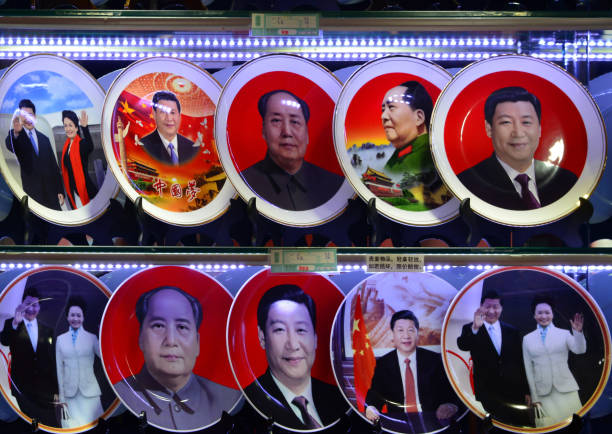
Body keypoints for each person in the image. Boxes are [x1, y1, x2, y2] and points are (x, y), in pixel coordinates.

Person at [113, 286, 241, 431]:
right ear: (141, 338)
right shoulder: (119, 394)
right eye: (158, 325)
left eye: (182, 327)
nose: (171, 340)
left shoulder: (227, 398)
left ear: (197, 342)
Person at [243, 284, 347, 430]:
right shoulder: (248, 403)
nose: (292, 345)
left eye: (301, 330)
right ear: (262, 337)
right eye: (280, 329)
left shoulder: (340, 399)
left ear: (315, 338)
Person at [457, 86, 577, 210]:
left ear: (539, 129)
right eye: (506, 122)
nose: (518, 133)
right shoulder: (467, 184)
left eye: (526, 122)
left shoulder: (567, 181)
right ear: (489, 128)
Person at [240, 90, 344, 211]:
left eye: (295, 122)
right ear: (264, 130)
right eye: (276, 121)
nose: (287, 132)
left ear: (307, 135)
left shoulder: (335, 186)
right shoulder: (243, 185)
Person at [365, 310, 459, 432]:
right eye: (400, 330)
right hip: (399, 424)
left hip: (433, 422)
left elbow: (451, 394)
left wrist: (450, 405)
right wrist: (371, 407)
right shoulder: (384, 363)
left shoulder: (434, 360)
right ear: (392, 334)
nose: (406, 336)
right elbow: (374, 395)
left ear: (417, 333)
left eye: (410, 330)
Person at [456, 287, 532, 426]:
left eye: (495, 307)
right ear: (481, 307)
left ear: (501, 308)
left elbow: (520, 362)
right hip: (488, 392)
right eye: (487, 307)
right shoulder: (470, 328)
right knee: (493, 429)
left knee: (517, 427)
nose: (491, 311)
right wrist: (475, 328)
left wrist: (526, 391)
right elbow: (463, 345)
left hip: (513, 391)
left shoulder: (512, 331)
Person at [379, 81, 451, 209]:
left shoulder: (426, 158)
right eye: (383, 109)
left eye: (391, 108)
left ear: (419, 117)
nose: (383, 116)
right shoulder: (403, 153)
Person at [522, 296, 586, 427]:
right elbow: (528, 369)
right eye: (539, 313)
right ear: (534, 315)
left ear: (552, 314)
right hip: (543, 394)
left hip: (567, 390)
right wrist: (535, 397)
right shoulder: (527, 339)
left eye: (547, 312)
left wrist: (578, 332)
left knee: (573, 427)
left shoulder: (564, 334)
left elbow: (580, 350)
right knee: (547, 428)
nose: (543, 316)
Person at [0, 286, 58, 427]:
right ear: (21, 305)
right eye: (28, 304)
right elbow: (4, 341)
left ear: (39, 307)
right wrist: (15, 323)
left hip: (45, 389)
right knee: (25, 424)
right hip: (21, 386)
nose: (31, 309)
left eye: (35, 305)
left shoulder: (47, 330)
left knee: (47, 424)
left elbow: (52, 361)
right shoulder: (12, 323)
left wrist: (56, 389)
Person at [4, 99, 64, 210]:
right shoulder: (17, 136)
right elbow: (10, 145)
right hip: (33, 196)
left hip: (51, 195)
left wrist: (60, 190)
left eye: (30, 115)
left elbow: (53, 167)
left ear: (35, 117)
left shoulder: (44, 139)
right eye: (24, 116)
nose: (27, 119)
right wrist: (17, 132)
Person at [55, 296, 104, 428]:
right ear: (67, 317)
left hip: (90, 392)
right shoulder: (60, 340)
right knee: (72, 428)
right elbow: (59, 369)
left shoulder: (92, 338)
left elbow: (104, 357)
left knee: (95, 427)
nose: (75, 318)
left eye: (78, 315)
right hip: (70, 394)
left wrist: (102, 334)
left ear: (83, 317)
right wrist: (62, 396)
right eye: (72, 315)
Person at [140, 91, 198, 166]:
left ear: (179, 116)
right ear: (154, 114)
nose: (169, 118)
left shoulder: (192, 148)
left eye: (173, 113)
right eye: (163, 112)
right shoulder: (143, 146)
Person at [60, 110, 99, 209]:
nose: (68, 129)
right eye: (65, 125)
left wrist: (85, 128)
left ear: (77, 128)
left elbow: (90, 147)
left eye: (70, 125)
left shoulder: (81, 144)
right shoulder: (66, 146)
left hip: (86, 192)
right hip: (73, 193)